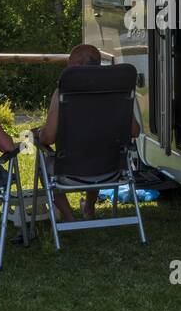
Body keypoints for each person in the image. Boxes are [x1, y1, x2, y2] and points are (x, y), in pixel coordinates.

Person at [31, 43, 139, 223]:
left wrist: (39, 134)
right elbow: (135, 131)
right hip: (111, 170)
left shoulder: (62, 94)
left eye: (69, 64)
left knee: (44, 166)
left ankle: (70, 218)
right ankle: (89, 207)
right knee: (96, 150)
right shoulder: (117, 93)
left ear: (77, 66)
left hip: (70, 173)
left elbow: (49, 137)